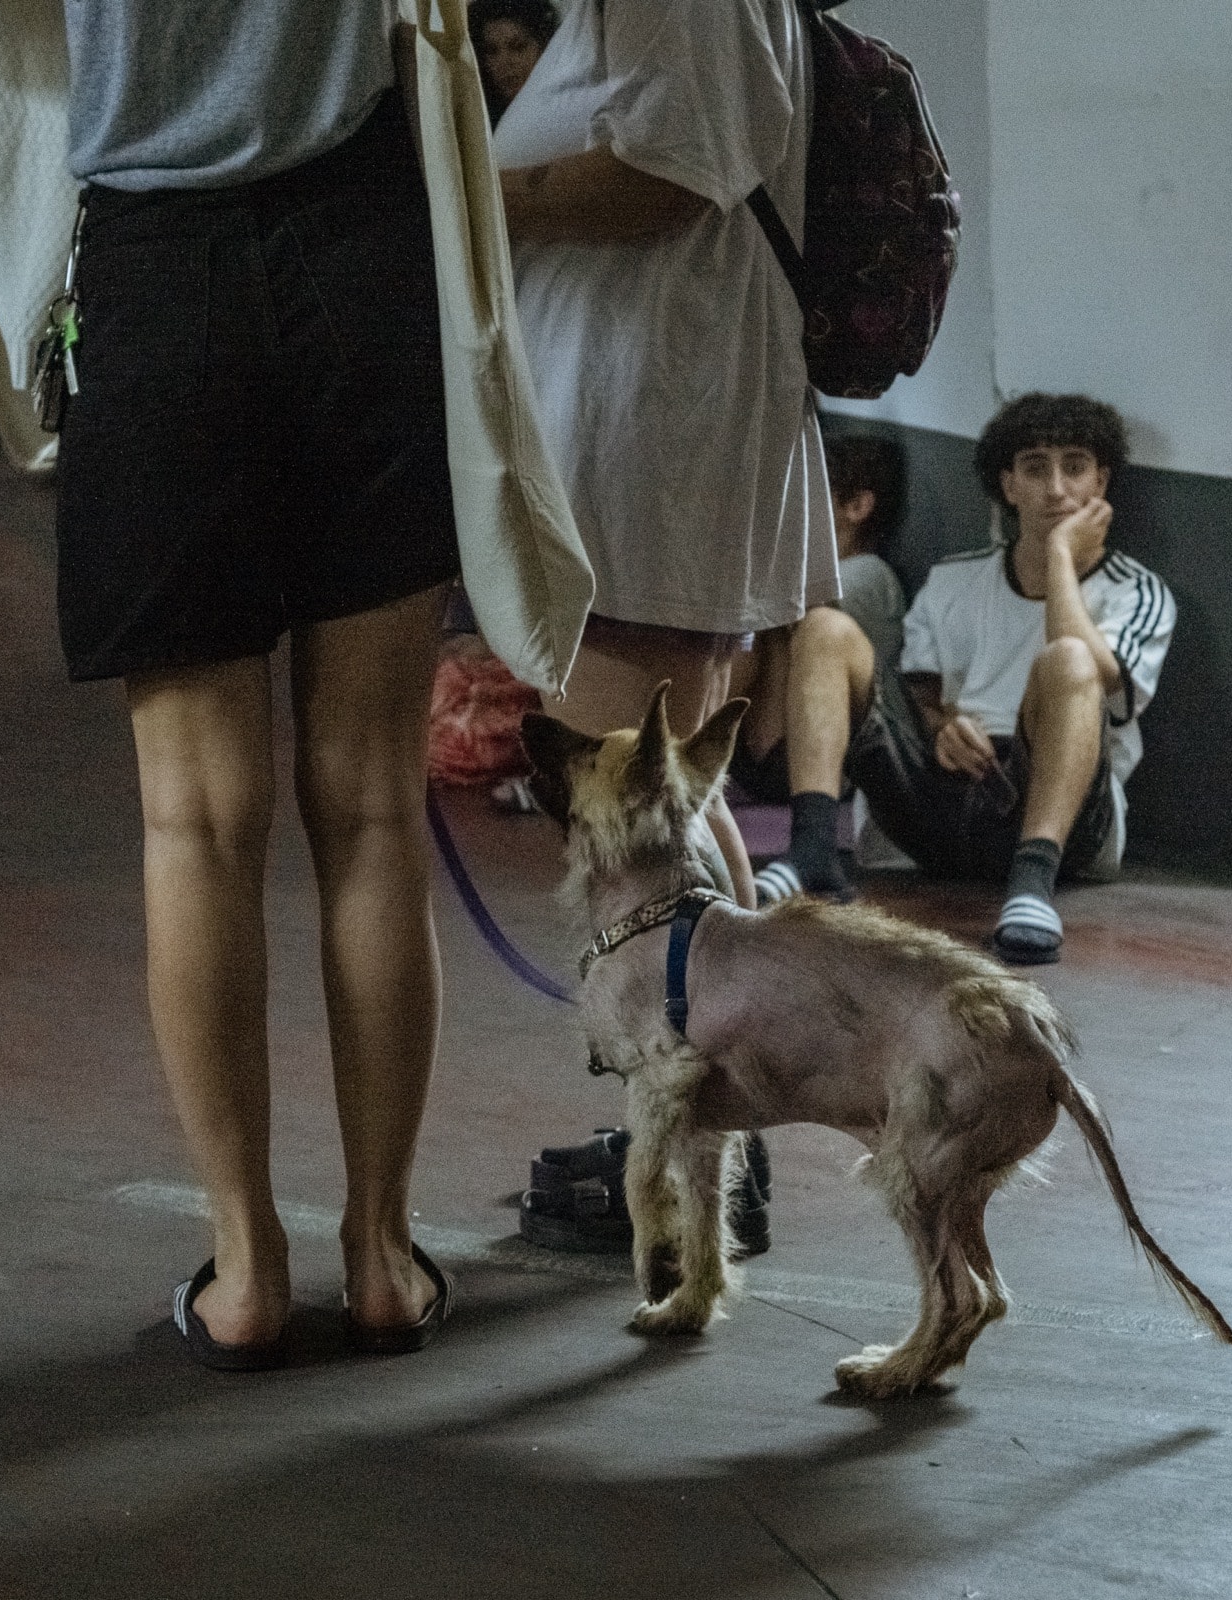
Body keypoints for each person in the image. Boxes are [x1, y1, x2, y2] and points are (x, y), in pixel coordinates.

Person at [54, 2, 465, 1367]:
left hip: (158, 265)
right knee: (370, 801)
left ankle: (246, 1267)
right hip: (361, 244)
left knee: (196, 819)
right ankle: (383, 1252)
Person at [496, 0, 832, 1249]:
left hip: (654, 432)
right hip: (657, 420)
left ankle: (700, 1165)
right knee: (667, 824)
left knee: (638, 836)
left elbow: (664, 173)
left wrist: (479, 203)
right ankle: (697, 1140)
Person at [854, 393, 1176, 964]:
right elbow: (921, 695)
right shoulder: (953, 581)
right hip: (950, 803)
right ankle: (807, 856)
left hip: (1069, 821)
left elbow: (1095, 676)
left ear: (1100, 482)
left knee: (1071, 660)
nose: (1055, 488)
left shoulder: (1137, 591)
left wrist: (1057, 556)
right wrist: (941, 730)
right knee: (830, 633)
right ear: (1008, 486)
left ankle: (1031, 885)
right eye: (1034, 468)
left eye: (1075, 466)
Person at [724, 429, 909, 902]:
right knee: (736, 627)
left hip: (826, 763)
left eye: (800, 496)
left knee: (792, 615)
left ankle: (812, 849)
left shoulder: (870, 574)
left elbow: (795, 600)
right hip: (757, 755)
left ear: (857, 507)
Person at [470, 0, 558, 125]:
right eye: (491, 51)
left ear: (543, 46)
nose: (504, 62)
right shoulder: (479, 121)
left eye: (518, 47)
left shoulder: (566, 109)